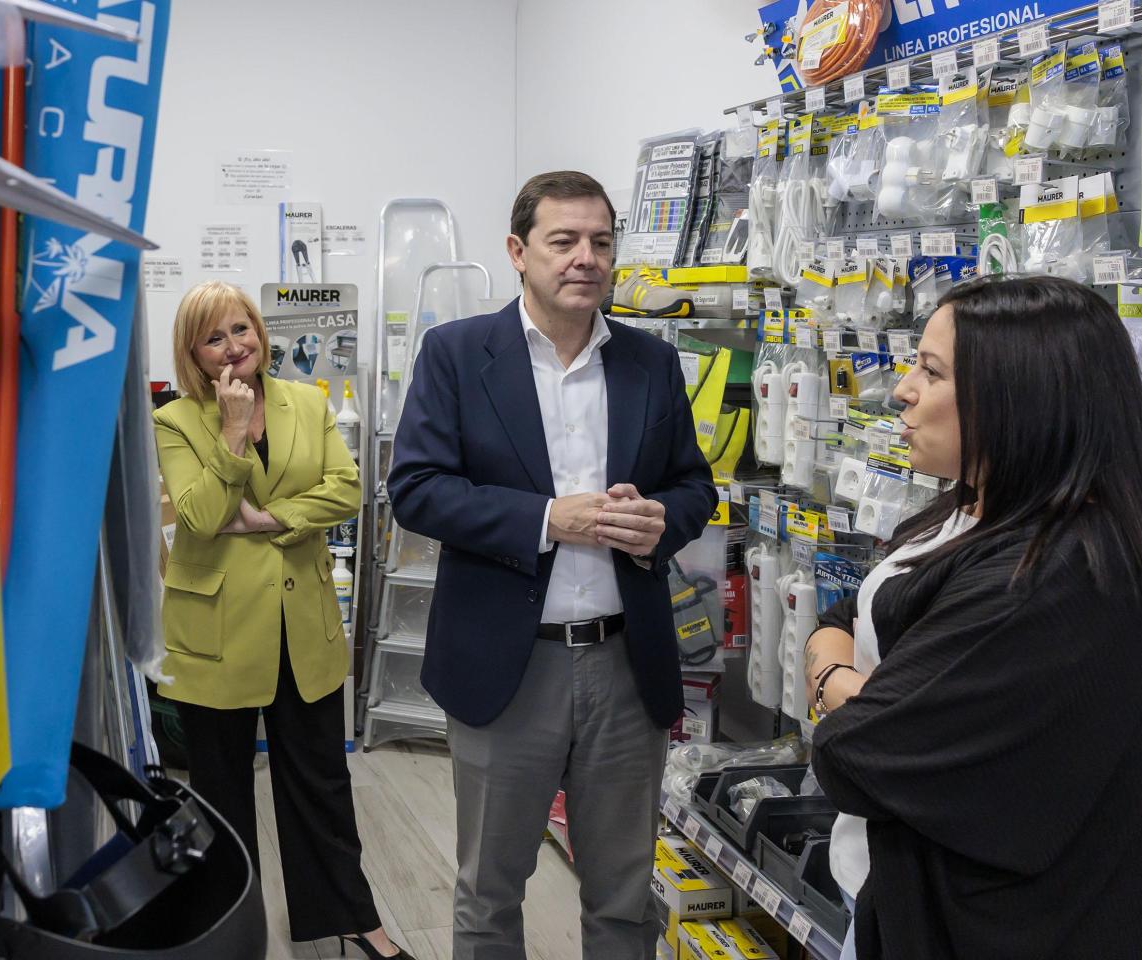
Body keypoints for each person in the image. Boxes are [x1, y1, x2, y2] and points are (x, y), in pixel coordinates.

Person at [387, 171, 718, 958]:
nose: (585, 258)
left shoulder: (650, 362)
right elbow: (416, 489)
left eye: (600, 241)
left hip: (624, 666)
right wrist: (544, 519)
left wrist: (658, 522)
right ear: (518, 251)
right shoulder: (459, 354)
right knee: (489, 894)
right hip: (509, 669)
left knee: (625, 898)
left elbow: (694, 486)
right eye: (563, 241)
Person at [805, 275, 1142, 960]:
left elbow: (855, 753)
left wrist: (835, 677)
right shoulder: (978, 508)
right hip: (907, 894)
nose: (902, 391)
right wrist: (854, 680)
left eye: (932, 371)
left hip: (1000, 932)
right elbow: (853, 609)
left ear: (1018, 395)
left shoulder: (1049, 579)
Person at [153, 281, 413, 960]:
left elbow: (347, 488)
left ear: (261, 332)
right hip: (216, 633)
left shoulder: (307, 402)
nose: (235, 347)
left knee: (322, 784)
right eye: (215, 338)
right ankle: (230, 937)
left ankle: (355, 922)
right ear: (194, 354)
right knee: (220, 796)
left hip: (303, 625)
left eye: (242, 329)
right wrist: (233, 433)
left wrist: (273, 518)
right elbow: (203, 516)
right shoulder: (175, 421)